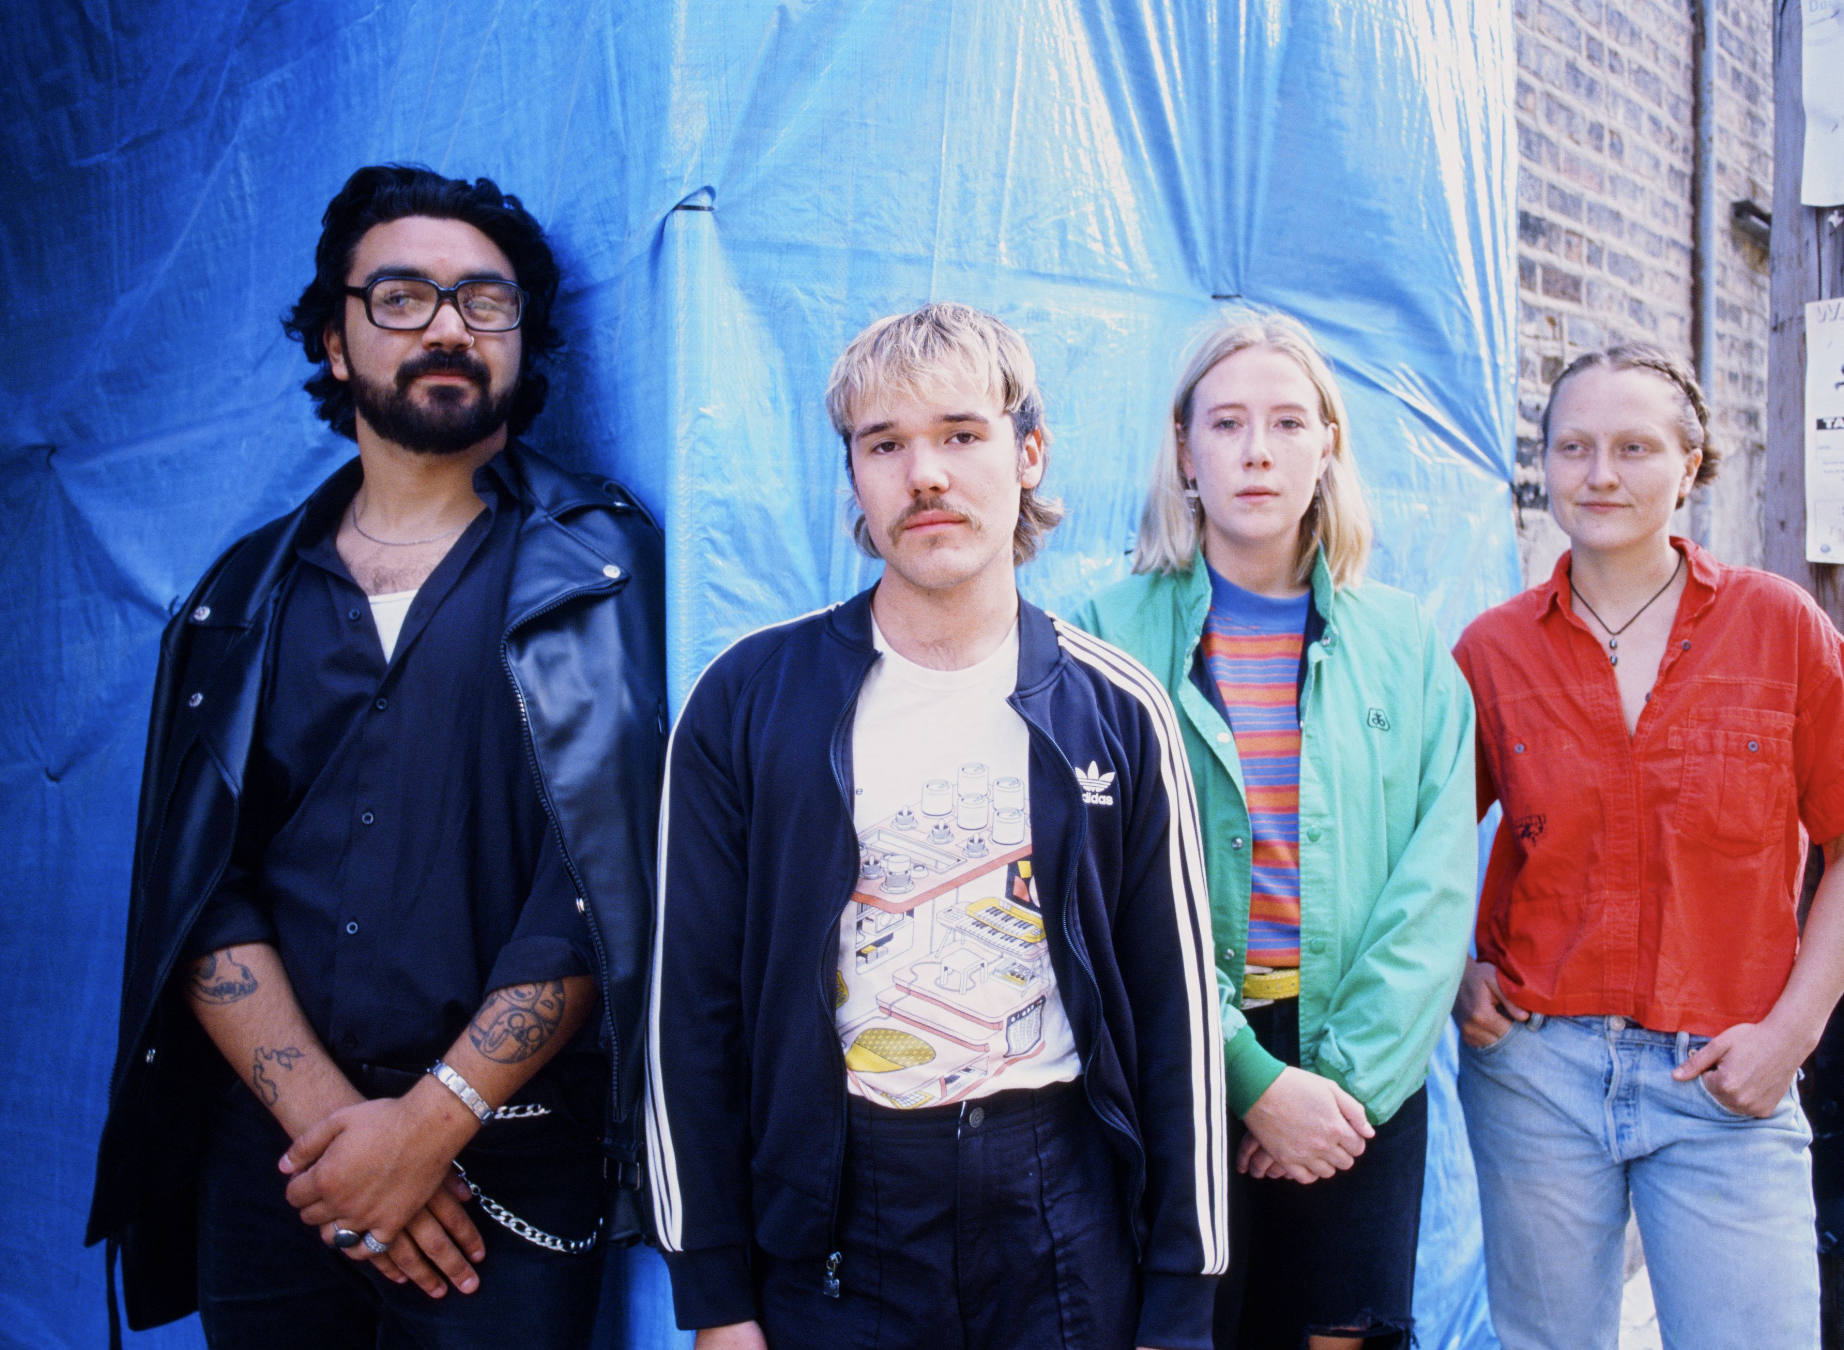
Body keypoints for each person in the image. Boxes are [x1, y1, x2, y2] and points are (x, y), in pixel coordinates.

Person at [84, 164, 669, 1349]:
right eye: (401, 297)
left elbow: (606, 874)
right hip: (278, 1164)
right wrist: (342, 1140)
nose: (448, 327)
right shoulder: (238, 597)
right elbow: (199, 882)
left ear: (524, 340)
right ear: (335, 340)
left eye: (485, 301)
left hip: (512, 1154)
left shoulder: (603, 567)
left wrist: (429, 1127)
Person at [647, 302, 1228, 1350]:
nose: (925, 475)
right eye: (885, 444)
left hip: (1060, 1213)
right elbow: (689, 1010)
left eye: (961, 434)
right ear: (854, 476)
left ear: (1029, 453)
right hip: (835, 1219)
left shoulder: (1117, 710)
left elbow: (1175, 1015)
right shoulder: (746, 700)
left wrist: (1179, 1306)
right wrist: (716, 1298)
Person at [1451, 343, 1844, 1350]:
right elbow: (1422, 841)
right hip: (1534, 1074)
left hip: (1722, 1077)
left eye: (1634, 447)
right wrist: (1455, 968)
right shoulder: (1493, 650)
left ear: (1691, 466)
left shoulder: (1777, 625)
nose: (1600, 474)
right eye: (1573, 448)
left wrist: (1791, 1035)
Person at [1074, 309, 1477, 1350]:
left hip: (1359, 1062)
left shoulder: (1405, 644)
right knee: (1180, 1331)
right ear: (1184, 451)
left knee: (1336, 1333)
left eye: (1289, 422)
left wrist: (1335, 1087)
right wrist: (1250, 1079)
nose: (1258, 450)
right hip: (1176, 1049)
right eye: (1227, 423)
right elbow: (1104, 889)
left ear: (1328, 446)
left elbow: (1435, 885)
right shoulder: (1104, 637)